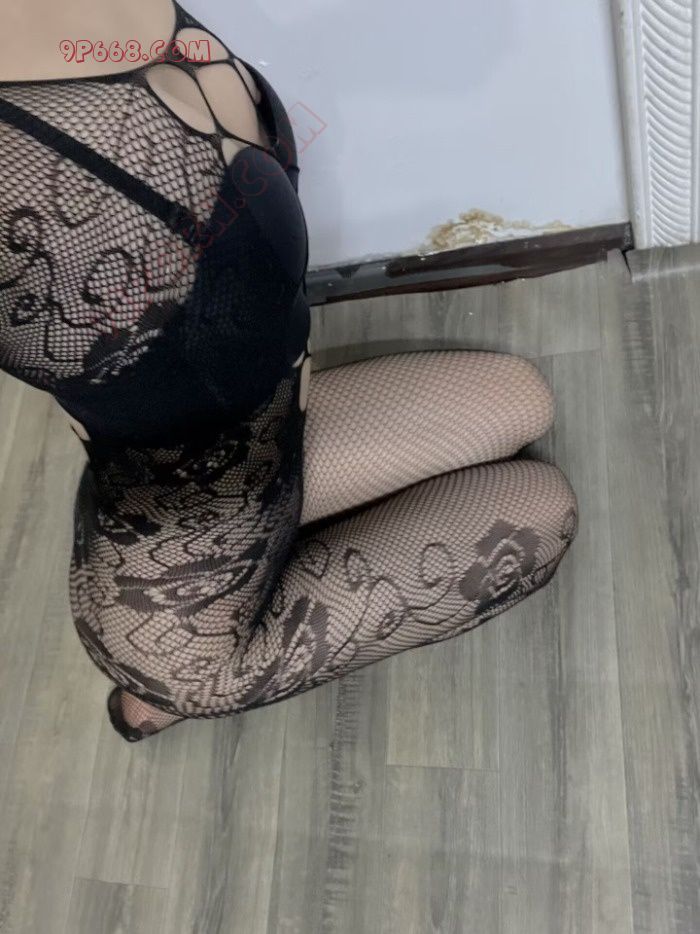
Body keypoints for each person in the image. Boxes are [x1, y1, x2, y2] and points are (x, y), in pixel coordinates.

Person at [0, 0, 578, 741]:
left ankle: (257, 579)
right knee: (544, 508)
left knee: (523, 401)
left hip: (271, 451)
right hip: (168, 589)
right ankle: (169, 692)